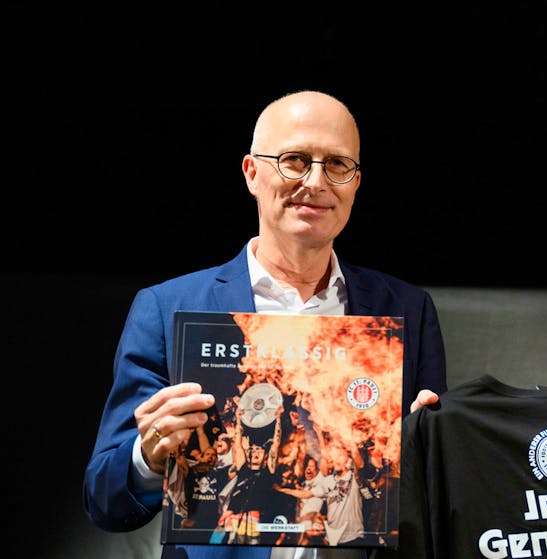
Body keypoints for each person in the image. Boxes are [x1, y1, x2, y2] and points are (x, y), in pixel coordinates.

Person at [83, 90, 447, 559]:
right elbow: (105, 502)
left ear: (356, 183)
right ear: (252, 173)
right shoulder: (167, 308)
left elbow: (436, 506)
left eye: (338, 165)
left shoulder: (406, 310)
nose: (316, 181)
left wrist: (428, 455)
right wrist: (149, 456)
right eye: (294, 159)